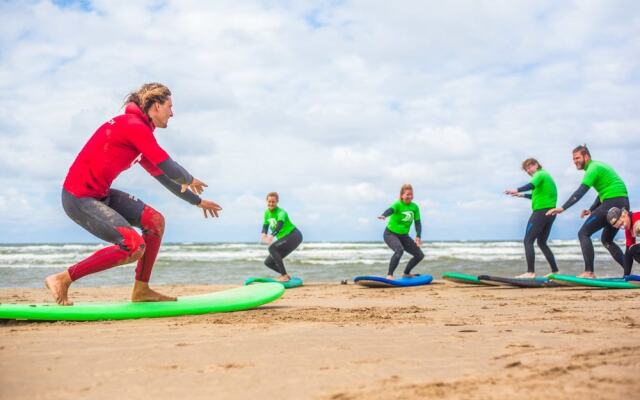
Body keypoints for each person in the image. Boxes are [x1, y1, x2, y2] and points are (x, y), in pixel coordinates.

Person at [45, 83, 222, 305]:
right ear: (156, 106)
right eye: (170, 106)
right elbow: (169, 167)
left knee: (154, 221)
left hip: (101, 195)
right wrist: (188, 178)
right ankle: (63, 278)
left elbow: (164, 177)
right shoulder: (133, 126)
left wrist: (198, 202)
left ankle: (141, 290)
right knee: (133, 245)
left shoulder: (140, 133)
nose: (172, 113)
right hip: (78, 198)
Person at [547, 145, 629, 278]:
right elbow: (603, 192)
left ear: (586, 156)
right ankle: (628, 271)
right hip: (622, 202)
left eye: (577, 157)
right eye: (573, 159)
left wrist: (563, 208)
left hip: (612, 202)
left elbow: (581, 191)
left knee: (583, 233)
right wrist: (592, 210)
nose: (575, 161)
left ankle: (589, 272)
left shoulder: (592, 168)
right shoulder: (598, 167)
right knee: (607, 239)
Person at [505, 158, 559, 278]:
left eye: (529, 167)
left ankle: (530, 272)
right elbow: (535, 195)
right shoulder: (545, 177)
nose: (528, 171)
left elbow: (531, 185)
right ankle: (555, 271)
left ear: (536, 165)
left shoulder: (540, 174)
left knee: (528, 240)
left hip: (540, 212)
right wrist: (521, 195)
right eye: (526, 170)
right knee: (541, 242)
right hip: (550, 213)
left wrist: (517, 189)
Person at [378, 184, 424, 279]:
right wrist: (384, 215)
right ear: (402, 195)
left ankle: (406, 273)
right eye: (407, 194)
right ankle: (390, 275)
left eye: (411, 194)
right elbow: (391, 210)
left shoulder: (415, 207)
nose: (410, 196)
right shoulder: (398, 204)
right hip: (390, 234)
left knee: (419, 255)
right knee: (399, 250)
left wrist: (418, 236)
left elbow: (417, 222)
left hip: (404, 236)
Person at [261, 192, 303, 282]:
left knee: (272, 248)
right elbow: (265, 226)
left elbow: (279, 224)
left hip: (294, 235)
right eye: (269, 201)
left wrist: (272, 236)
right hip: (286, 239)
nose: (271, 204)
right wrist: (264, 234)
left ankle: (283, 275)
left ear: (277, 202)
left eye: (273, 202)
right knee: (268, 262)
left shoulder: (281, 212)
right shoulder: (266, 213)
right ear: (266, 201)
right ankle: (286, 275)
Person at [606, 207, 640, 276]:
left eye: (622, 224)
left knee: (633, 249)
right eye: (619, 227)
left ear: (624, 214)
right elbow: (628, 253)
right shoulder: (628, 228)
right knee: (631, 250)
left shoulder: (637, 217)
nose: (623, 227)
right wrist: (626, 275)